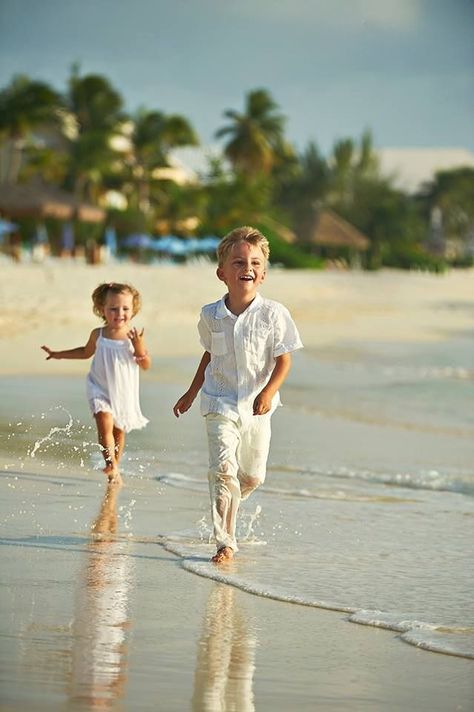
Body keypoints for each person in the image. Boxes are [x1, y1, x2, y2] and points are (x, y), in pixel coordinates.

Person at [173, 226, 303, 563]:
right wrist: (191, 392)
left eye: (255, 262)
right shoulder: (210, 315)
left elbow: (284, 360)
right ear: (221, 272)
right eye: (238, 262)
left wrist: (268, 392)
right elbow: (209, 355)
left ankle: (226, 504)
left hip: (259, 406)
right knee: (223, 470)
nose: (247, 267)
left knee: (252, 477)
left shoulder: (274, 314)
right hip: (219, 400)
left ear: (263, 274)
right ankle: (225, 543)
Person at [41, 282, 151, 483]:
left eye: (125, 308)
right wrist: (58, 355)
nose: (120, 313)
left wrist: (139, 347)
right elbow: (84, 352)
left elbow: (145, 365)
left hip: (123, 391)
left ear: (133, 310)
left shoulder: (133, 337)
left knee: (118, 430)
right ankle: (109, 462)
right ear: (102, 310)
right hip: (98, 386)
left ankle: (115, 468)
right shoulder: (98, 334)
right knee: (104, 421)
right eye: (113, 309)